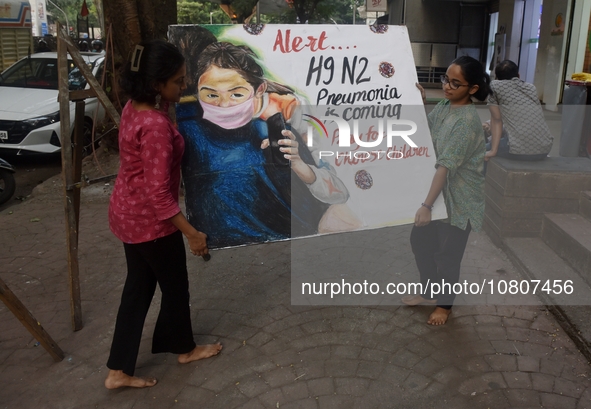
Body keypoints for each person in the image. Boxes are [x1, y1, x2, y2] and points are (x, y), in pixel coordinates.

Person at [105, 40, 222, 389]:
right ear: (157, 84)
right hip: (150, 224)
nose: (184, 86)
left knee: (138, 290)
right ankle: (184, 349)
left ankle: (117, 370)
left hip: (126, 214)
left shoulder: (134, 108)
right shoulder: (155, 127)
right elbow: (159, 196)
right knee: (175, 288)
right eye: (178, 81)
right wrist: (192, 233)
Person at [177, 42, 358, 248]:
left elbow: (336, 192)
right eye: (211, 95)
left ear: (259, 89)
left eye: (236, 94)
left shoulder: (287, 114)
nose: (224, 105)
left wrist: (299, 164)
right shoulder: (188, 125)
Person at [402, 56, 489, 326]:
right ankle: (429, 291)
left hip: (459, 198)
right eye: (445, 79)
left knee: (447, 255)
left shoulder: (465, 123)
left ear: (472, 89)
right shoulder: (444, 106)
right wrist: (422, 101)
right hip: (439, 192)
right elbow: (426, 135)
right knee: (420, 242)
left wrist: (426, 206)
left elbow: (445, 167)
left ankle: (444, 305)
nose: (448, 87)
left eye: (456, 83)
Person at [485, 60, 553, 161]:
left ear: (497, 77)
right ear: (518, 75)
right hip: (545, 148)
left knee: (478, 151)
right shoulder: (531, 88)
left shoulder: (494, 86)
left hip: (517, 149)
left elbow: (497, 119)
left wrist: (493, 151)